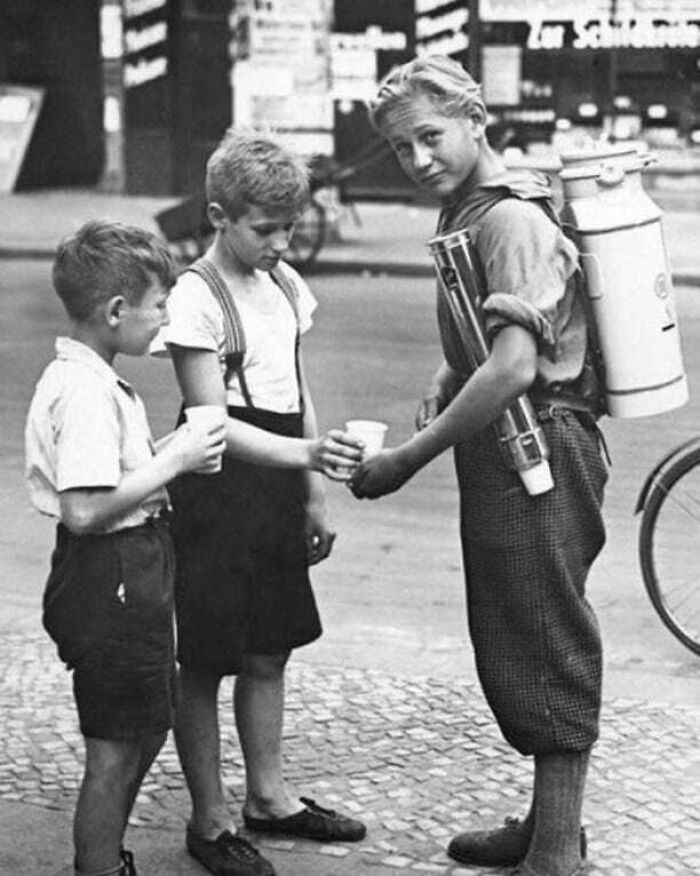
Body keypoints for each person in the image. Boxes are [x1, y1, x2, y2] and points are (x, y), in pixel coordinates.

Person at [351, 56, 608, 876]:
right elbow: (483, 339)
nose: (418, 158)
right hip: (510, 445)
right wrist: (443, 374)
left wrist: (405, 460)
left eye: (430, 137)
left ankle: (557, 855)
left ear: (475, 119)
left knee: (546, 634)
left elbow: (513, 367)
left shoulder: (509, 220)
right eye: (400, 149)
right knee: (519, 628)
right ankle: (549, 824)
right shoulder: (470, 211)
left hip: (541, 446)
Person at [151, 127, 366, 876]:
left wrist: (311, 492)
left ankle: (268, 798)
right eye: (265, 228)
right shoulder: (194, 298)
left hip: (276, 478)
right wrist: (303, 456)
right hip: (214, 483)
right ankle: (209, 820)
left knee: (270, 647)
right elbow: (209, 422)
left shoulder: (281, 285)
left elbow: (296, 390)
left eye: (290, 228)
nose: (281, 242)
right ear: (217, 215)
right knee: (207, 657)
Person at [24, 220, 227, 876]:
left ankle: (104, 855)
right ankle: (99, 864)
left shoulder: (90, 377)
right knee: (115, 748)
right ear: (116, 311)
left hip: (124, 573)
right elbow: (85, 509)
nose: (164, 321)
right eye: (158, 305)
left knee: (146, 721)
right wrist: (175, 466)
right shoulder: (85, 391)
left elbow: (106, 477)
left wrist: (172, 452)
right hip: (111, 578)